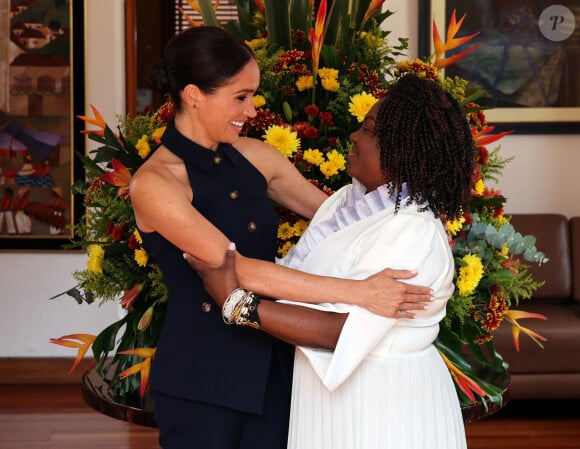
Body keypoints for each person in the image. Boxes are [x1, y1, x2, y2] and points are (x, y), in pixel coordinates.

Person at [129, 26, 431, 449]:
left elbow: (343, 218)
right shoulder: (156, 184)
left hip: (277, 363)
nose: (252, 110)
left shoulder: (257, 156)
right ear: (194, 94)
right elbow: (240, 270)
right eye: (241, 96)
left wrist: (417, 223)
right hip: (203, 374)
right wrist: (361, 293)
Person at [186, 73, 475, 449]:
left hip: (383, 400)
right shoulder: (345, 202)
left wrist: (237, 303)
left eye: (368, 129)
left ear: (403, 148)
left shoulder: (413, 232)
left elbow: (340, 331)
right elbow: (298, 278)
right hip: (330, 389)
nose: (354, 136)